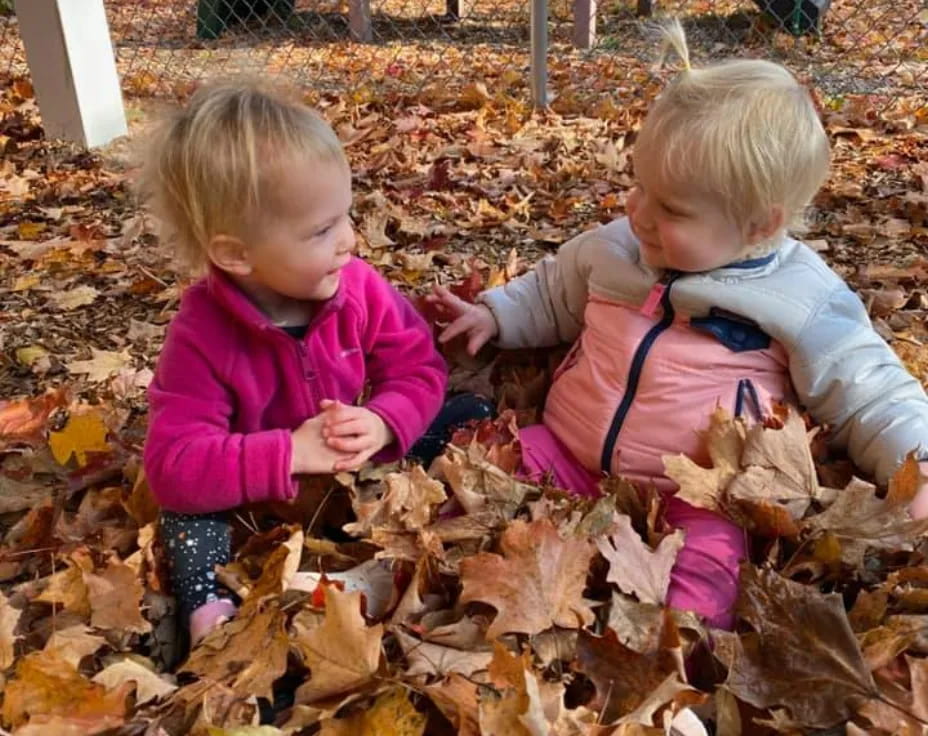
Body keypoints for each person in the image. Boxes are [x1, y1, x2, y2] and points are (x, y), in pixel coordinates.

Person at [429, 22, 928, 629]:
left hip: (699, 496)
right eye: (639, 187)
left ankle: (671, 669)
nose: (637, 211)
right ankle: (427, 582)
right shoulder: (613, 248)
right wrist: (498, 314)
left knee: (709, 577)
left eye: (670, 209)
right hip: (569, 452)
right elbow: (552, 291)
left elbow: (869, 388)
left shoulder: (802, 298)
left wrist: (918, 461)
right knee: (472, 477)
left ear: (756, 225)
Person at [139, 80, 490, 644]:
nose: (349, 240)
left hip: (359, 469)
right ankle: (208, 609)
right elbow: (173, 463)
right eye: (322, 230)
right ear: (235, 254)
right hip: (258, 499)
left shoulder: (356, 287)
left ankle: (425, 533)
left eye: (345, 217)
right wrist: (288, 451)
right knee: (184, 515)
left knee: (472, 412)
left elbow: (419, 367)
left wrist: (381, 421)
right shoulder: (201, 336)